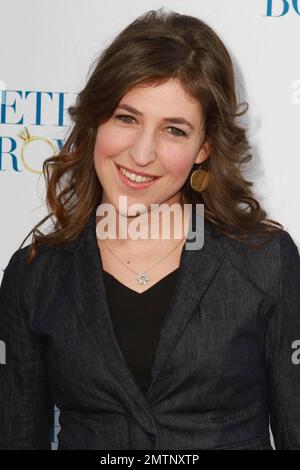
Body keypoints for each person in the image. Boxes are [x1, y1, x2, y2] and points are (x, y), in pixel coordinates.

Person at [0, 7, 300, 450]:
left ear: (205, 147)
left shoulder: (264, 261)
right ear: (96, 118)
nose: (141, 154)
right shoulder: (35, 274)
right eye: (127, 118)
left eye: (174, 131)